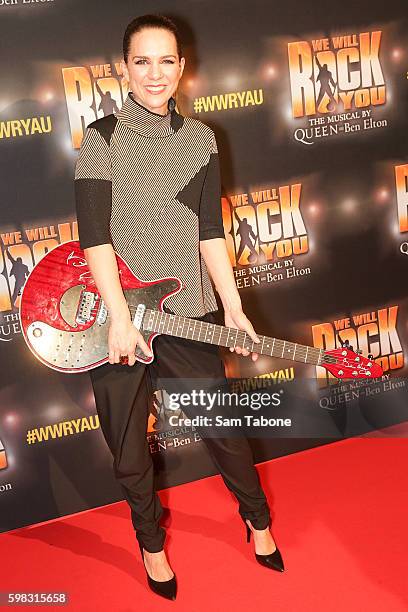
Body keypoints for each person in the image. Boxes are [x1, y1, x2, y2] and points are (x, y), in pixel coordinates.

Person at [74, 14, 284, 601]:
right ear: (125, 67)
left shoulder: (201, 139)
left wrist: (234, 308)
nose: (155, 74)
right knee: (128, 448)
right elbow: (95, 235)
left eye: (166, 60)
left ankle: (258, 519)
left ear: (182, 68)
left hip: (187, 311)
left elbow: (210, 232)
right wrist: (118, 316)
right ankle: (151, 544)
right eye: (142, 61)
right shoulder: (102, 138)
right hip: (115, 319)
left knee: (223, 431)